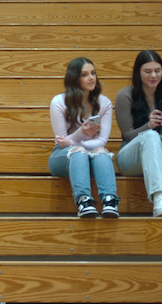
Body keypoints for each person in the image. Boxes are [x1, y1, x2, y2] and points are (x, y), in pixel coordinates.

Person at [114, 50, 162, 216]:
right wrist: (149, 125)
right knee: (150, 135)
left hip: (160, 159)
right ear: (138, 72)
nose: (153, 75)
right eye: (148, 71)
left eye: (157, 71)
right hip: (130, 156)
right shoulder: (125, 95)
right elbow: (127, 135)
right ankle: (159, 197)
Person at [48, 57, 119, 218]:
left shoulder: (104, 103)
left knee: (101, 150)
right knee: (79, 150)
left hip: (93, 157)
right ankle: (83, 200)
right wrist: (81, 134)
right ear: (74, 78)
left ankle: (110, 200)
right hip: (63, 156)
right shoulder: (59, 102)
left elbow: (101, 141)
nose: (91, 78)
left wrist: (74, 140)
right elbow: (63, 142)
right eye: (85, 75)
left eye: (93, 73)